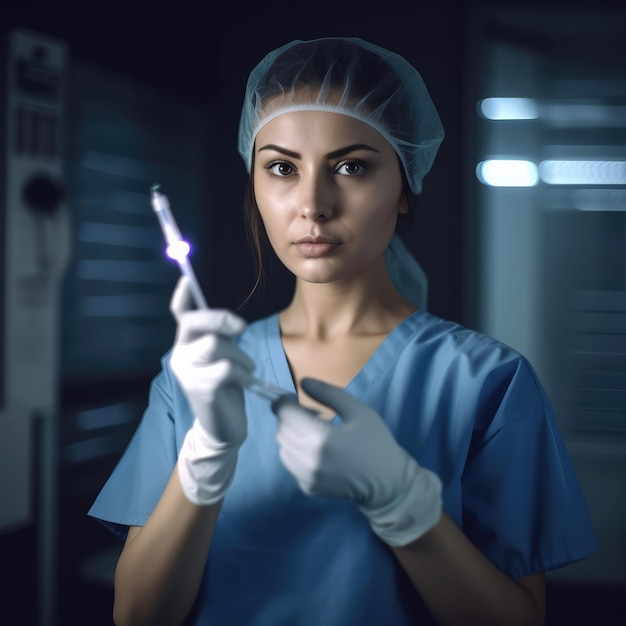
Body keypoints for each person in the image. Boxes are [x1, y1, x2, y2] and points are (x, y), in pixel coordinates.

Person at [89, 37, 597, 626]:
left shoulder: (487, 381)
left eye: (351, 167)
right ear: (253, 184)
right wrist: (203, 459)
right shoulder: (199, 376)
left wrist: (408, 510)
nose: (313, 204)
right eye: (282, 168)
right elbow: (138, 616)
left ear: (405, 186)